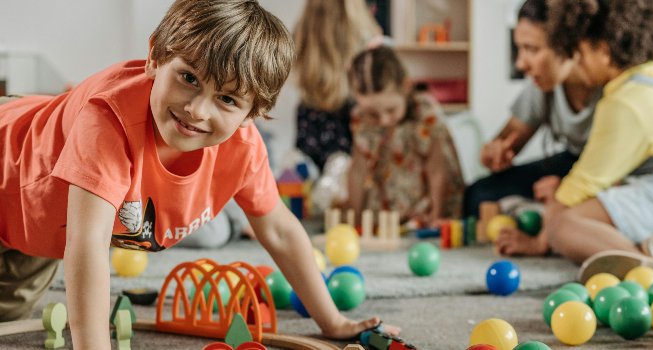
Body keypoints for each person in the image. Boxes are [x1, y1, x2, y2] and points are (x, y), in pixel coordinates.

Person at [0, 1, 398, 348]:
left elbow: (278, 229)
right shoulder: (109, 121)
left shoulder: (242, 148)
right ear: (155, 57)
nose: (197, 110)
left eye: (227, 99)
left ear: (253, 114)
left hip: (33, 230)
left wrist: (333, 322)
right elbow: (88, 243)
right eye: (189, 78)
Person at [523, 0, 653, 274]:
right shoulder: (652, 79)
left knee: (563, 226)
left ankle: (649, 269)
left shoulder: (624, 103)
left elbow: (579, 189)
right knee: (580, 213)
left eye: (580, 53)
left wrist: (541, 241)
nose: (577, 62)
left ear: (603, 50)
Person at [462, 0, 600, 222]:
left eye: (532, 49)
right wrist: (493, 152)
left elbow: (618, 170)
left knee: (579, 205)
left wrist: (567, 190)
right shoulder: (542, 86)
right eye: (519, 49)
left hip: (610, 172)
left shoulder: (609, 86)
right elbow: (509, 137)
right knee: (479, 194)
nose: (520, 64)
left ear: (569, 45)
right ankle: (543, 213)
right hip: (571, 161)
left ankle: (549, 216)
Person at [345, 46, 465, 226]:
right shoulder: (361, 119)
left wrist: (437, 215)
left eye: (391, 110)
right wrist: (354, 218)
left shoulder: (424, 112)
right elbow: (357, 171)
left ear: (406, 87)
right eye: (372, 113)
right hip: (388, 203)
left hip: (427, 201)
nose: (384, 120)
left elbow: (437, 170)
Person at [293, 0, 383, 170]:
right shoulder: (368, 36)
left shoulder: (304, 30)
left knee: (310, 184)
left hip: (312, 115)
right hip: (350, 116)